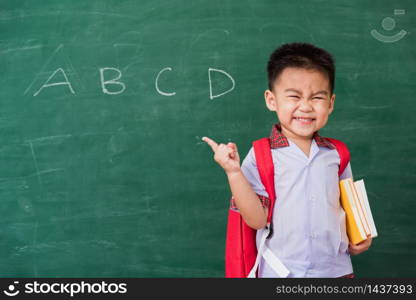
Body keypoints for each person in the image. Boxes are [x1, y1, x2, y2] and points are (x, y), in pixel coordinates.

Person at [202, 42, 372, 278]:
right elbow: (256, 219)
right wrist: (233, 173)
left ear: (331, 103)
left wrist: (362, 236)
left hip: (336, 272)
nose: (305, 106)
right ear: (272, 100)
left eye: (317, 98)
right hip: (282, 273)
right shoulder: (262, 154)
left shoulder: (337, 153)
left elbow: (351, 206)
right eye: (294, 96)